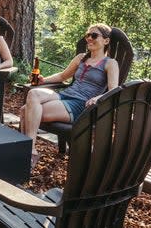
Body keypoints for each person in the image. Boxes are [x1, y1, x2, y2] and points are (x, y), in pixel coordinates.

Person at [19, 23, 119, 168]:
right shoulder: (81, 58)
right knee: (33, 93)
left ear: (106, 41)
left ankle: (26, 152)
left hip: (80, 105)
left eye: (94, 35)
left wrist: (98, 98)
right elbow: (62, 76)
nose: (89, 38)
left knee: (24, 110)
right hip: (64, 96)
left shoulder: (110, 63)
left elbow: (113, 90)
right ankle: (30, 150)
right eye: (88, 35)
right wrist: (43, 80)